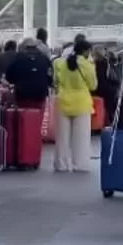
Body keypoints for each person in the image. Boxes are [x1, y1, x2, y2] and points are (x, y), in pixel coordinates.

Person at [52, 38, 98, 172]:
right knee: (81, 138)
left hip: (63, 101)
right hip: (81, 103)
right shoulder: (87, 64)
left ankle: (61, 164)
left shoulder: (59, 63)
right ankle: (80, 165)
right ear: (86, 51)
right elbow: (93, 85)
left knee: (62, 138)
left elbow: (56, 81)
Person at [5, 37, 52, 109]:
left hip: (22, 96)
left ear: (23, 47)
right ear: (36, 47)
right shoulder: (45, 59)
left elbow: (9, 77)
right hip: (41, 95)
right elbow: (50, 79)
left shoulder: (18, 59)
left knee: (24, 116)